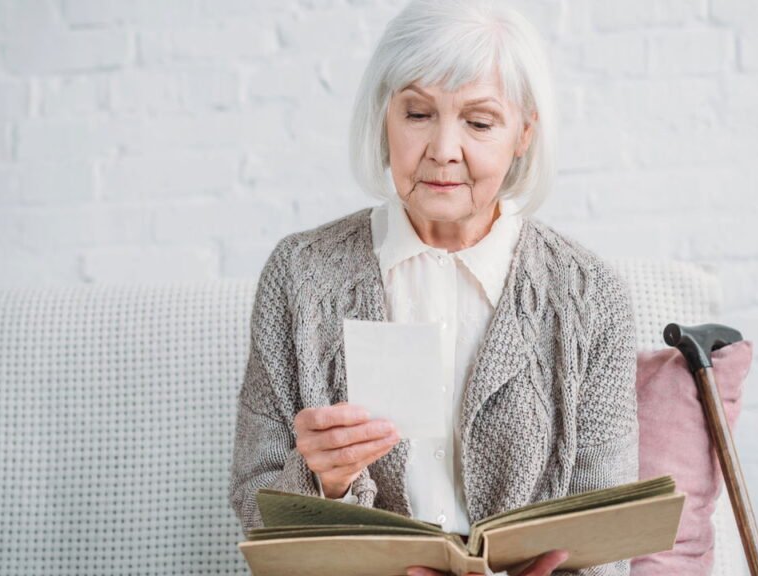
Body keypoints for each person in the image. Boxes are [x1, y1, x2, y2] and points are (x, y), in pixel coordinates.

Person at [228, 1, 639, 575]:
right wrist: (328, 484)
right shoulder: (300, 275)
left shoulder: (591, 297)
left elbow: (608, 533)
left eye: (478, 122)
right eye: (418, 113)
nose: (444, 148)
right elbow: (257, 504)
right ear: (384, 118)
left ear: (523, 133)